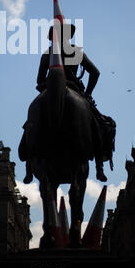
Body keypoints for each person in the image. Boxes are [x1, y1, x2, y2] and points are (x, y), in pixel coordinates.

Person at [23, 23, 108, 184]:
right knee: (96, 123)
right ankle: (99, 167)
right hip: (74, 89)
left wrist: (46, 89)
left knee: (30, 124)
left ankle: (28, 168)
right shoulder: (76, 52)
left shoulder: (48, 54)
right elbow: (95, 73)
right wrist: (88, 94)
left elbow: (39, 80)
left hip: (50, 91)